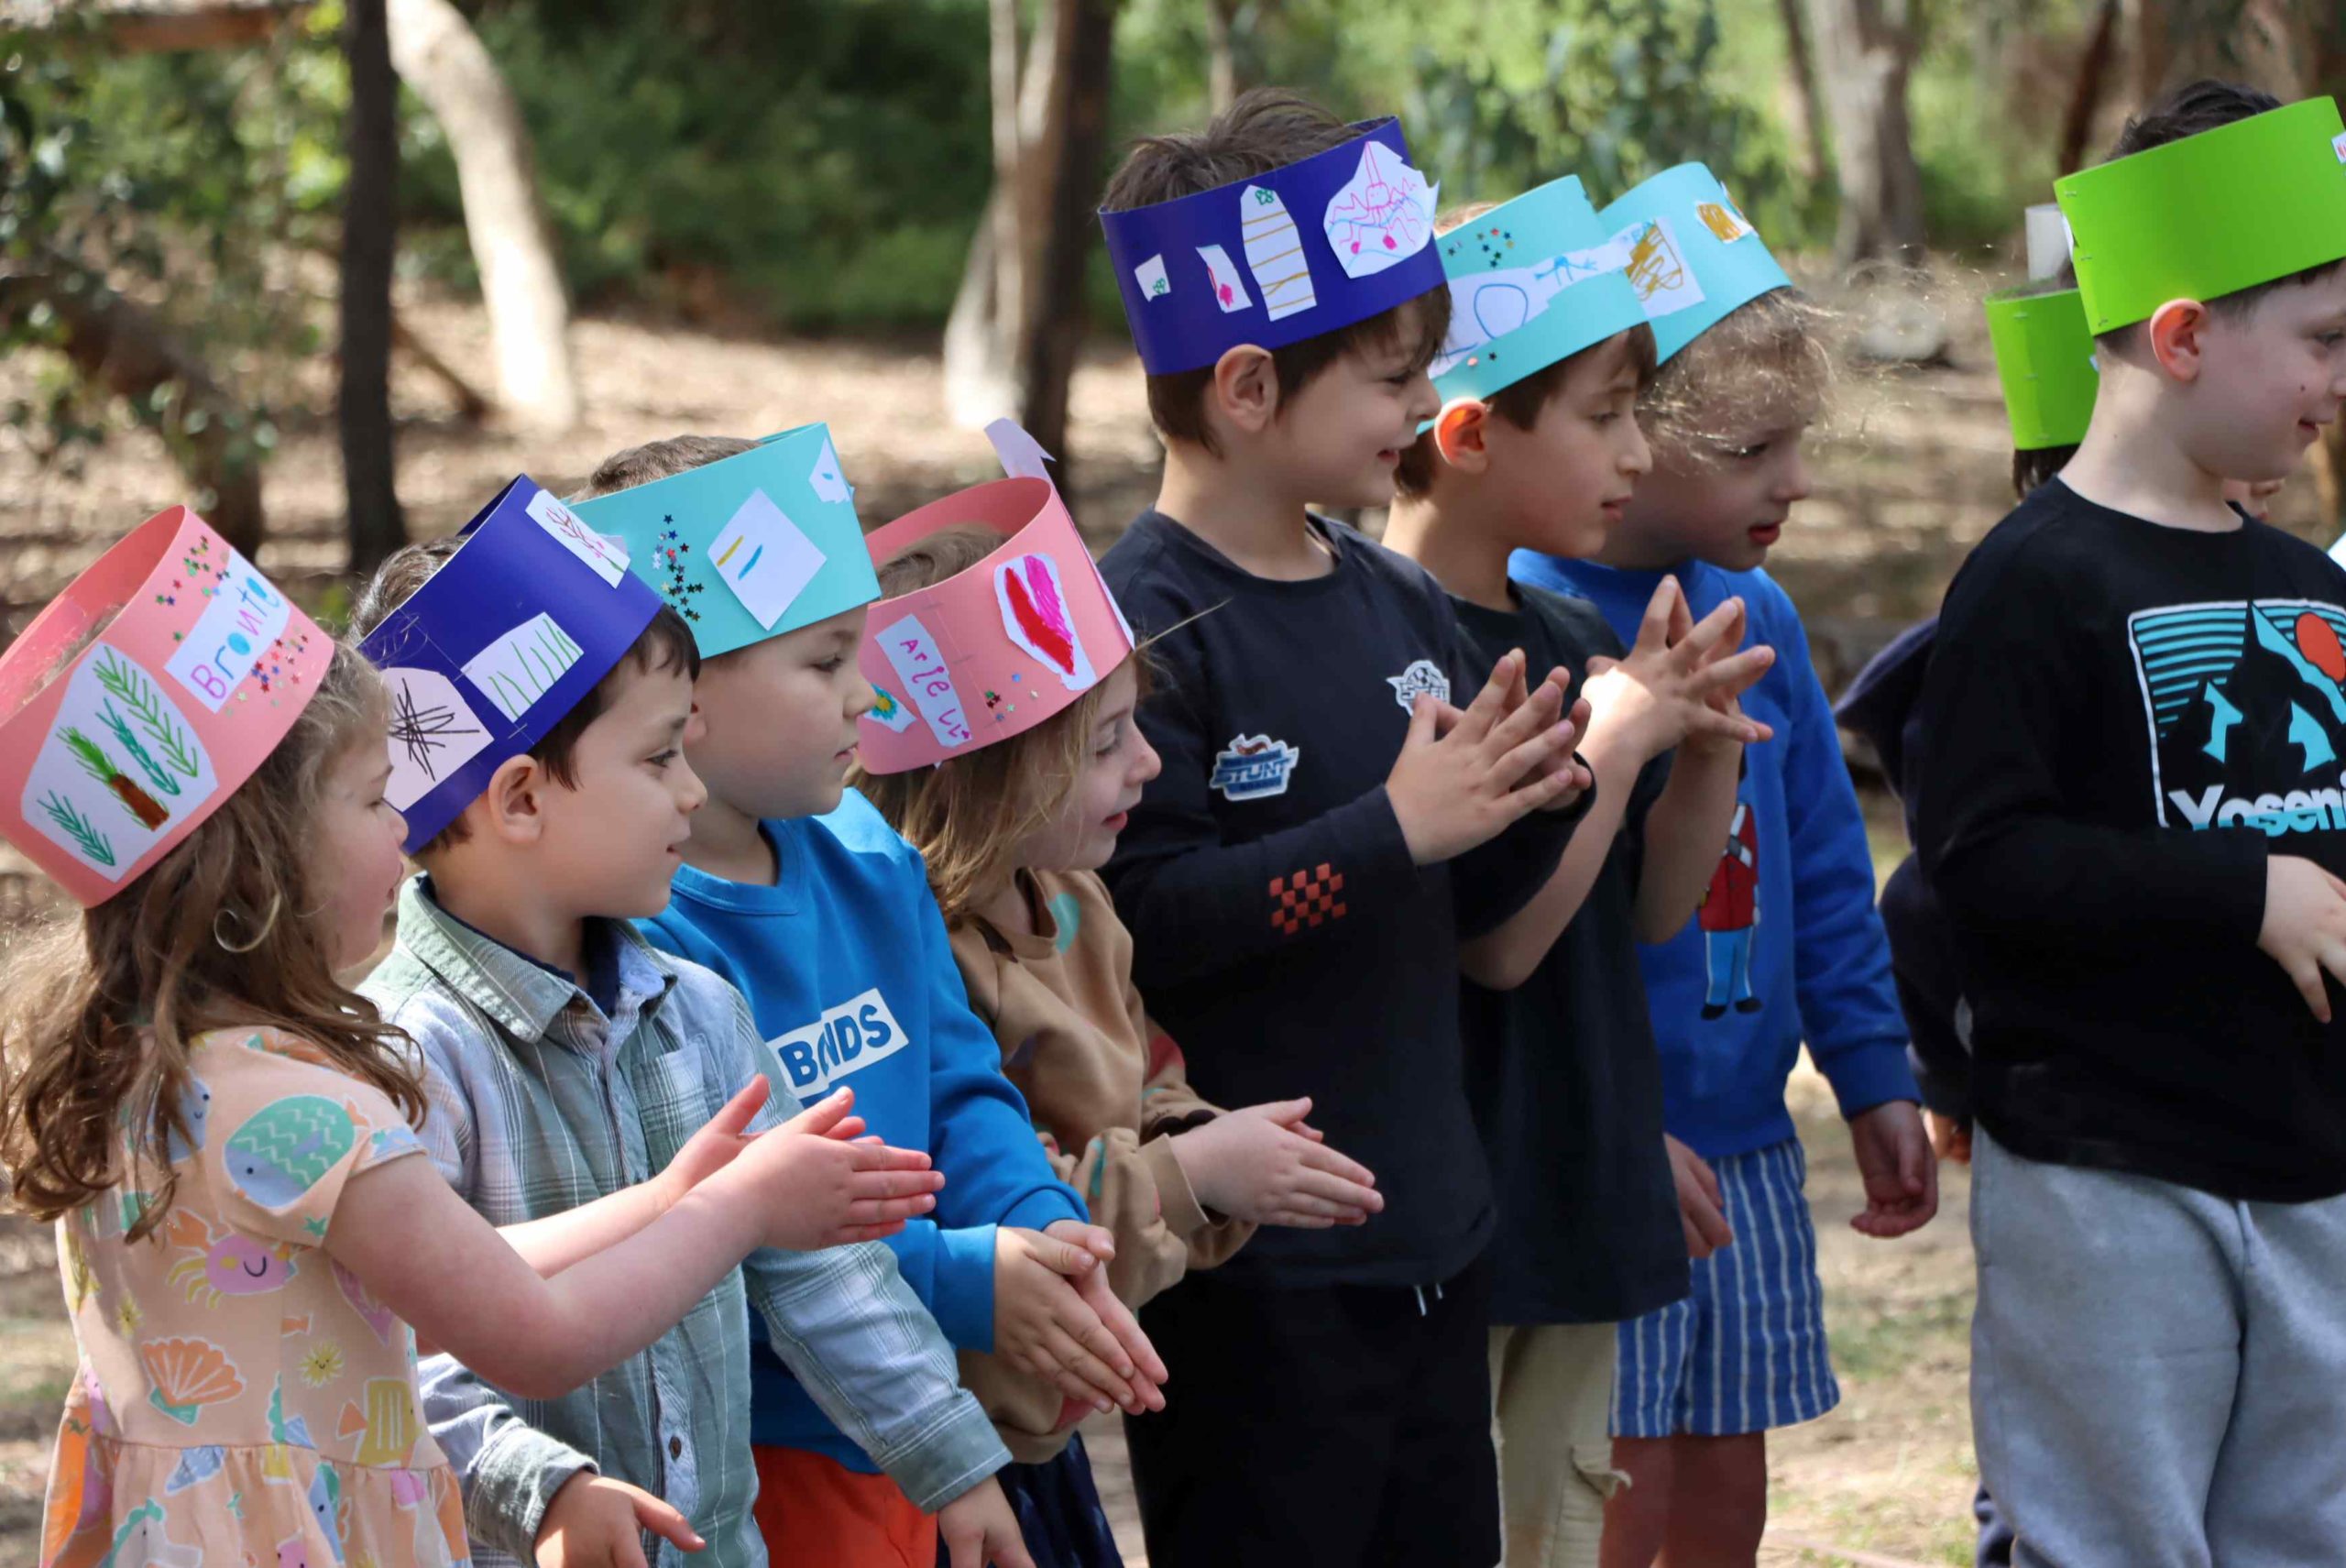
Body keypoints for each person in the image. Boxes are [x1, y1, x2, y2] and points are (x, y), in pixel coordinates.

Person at [2, 505, 951, 1568]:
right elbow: (526, 1337)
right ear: (258, 869)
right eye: (371, 800)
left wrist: (665, 1197)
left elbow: (451, 1268)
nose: (405, 827)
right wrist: (738, 1212)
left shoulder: (152, 1067)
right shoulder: (300, 1106)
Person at [350, 477, 1032, 1567]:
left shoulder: (702, 1013)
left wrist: (949, 1453)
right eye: (661, 755)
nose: (687, 790)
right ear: (521, 799)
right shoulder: (403, 1058)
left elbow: (819, 1267)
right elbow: (385, 1351)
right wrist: (543, 1487)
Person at [1092, 89, 1592, 1567]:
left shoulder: (1400, 599)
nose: (1415, 411)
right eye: (1391, 378)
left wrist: (1540, 782)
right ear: (1248, 388)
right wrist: (1391, 829)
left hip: (1435, 1246)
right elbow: (1145, 925)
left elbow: (1469, 897)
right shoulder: (1137, 633)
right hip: (1252, 1290)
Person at [572, 426, 1162, 1566]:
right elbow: (719, 1232)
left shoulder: (863, 851)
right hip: (766, 1454)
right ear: (682, 688)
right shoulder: (640, 931)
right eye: (828, 660)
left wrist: (1038, 1225)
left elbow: (956, 1076)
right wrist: (965, 1279)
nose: (871, 692)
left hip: (923, 1418)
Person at [1916, 82, 2346, 1564]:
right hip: (2109, 1186)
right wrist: (2243, 896)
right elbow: (1980, 861)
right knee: (2112, 1537)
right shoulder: (2033, 583)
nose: (2339, 380)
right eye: (2323, 340)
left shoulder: (2317, 588)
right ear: (2180, 337)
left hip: (2312, 1166)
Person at [1513, 162, 1935, 1568]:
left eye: (1799, 441)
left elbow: (1822, 856)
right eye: (1755, 446)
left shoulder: (1764, 611)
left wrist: (1872, 1069)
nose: (1796, 480)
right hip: (1609, 1144)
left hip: (1750, 1141)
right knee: (1609, 1491)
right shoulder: (1533, 614)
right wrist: (1609, 1117)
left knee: (1722, 1489)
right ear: (1634, 427)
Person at [852, 464, 1384, 1565]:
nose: (1144, 763)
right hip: (951, 1459)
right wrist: (1200, 1179)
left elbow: (1146, 1071)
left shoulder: (1078, 901)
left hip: (1045, 1446)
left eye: (1133, 728)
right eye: (1100, 744)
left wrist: (1197, 1133)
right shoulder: (927, 965)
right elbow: (1030, 1223)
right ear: (979, 775)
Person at [1382, 177, 1775, 1568]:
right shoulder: (1381, 639)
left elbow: (1647, 915)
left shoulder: (1564, 627)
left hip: (1576, 1184)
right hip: (1457, 1204)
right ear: (1471, 431)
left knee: (1559, 1530)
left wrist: (1704, 750)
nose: (1635, 448)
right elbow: (1502, 945)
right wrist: (1615, 741)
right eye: (1606, 413)